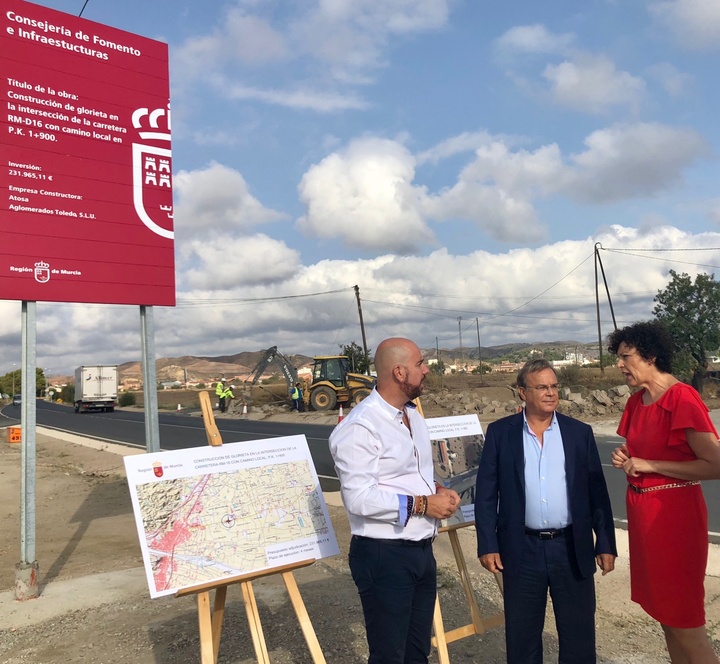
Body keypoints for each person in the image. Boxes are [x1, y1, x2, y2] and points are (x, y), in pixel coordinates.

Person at [474, 359, 616, 664]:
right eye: (542, 387)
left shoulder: (579, 433)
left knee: (578, 638)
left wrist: (605, 543)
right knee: (522, 638)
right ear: (523, 392)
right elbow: (486, 494)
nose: (551, 393)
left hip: (571, 548)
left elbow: (597, 494)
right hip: (521, 550)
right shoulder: (501, 434)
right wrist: (487, 544)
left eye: (554, 386)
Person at [329, 337, 460, 664]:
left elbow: (409, 473)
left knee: (417, 652)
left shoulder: (412, 415)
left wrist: (437, 487)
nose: (426, 370)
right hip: (384, 556)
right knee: (390, 655)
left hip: (420, 552)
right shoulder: (361, 426)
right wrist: (424, 504)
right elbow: (359, 499)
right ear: (400, 372)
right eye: (420, 364)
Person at [609, 321, 720, 663]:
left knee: (686, 621)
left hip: (675, 522)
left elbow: (715, 464)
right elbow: (640, 452)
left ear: (651, 356)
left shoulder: (682, 398)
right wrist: (627, 458)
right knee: (666, 619)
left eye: (626, 356)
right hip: (646, 522)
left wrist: (651, 465)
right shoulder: (636, 402)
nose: (619, 364)